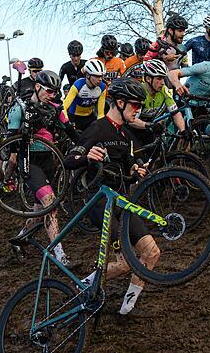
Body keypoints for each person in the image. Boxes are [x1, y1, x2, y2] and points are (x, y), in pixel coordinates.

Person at [63, 78, 159, 315]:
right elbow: (69, 160)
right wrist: (87, 157)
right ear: (119, 102)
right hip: (100, 202)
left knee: (151, 253)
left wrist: (137, 170)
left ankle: (127, 307)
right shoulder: (97, 128)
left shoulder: (126, 135)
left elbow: (131, 168)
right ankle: (84, 284)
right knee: (126, 262)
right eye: (134, 104)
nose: (138, 109)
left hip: (122, 200)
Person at [7, 70, 78, 265]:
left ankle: (19, 240)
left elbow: (70, 130)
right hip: (29, 159)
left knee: (40, 214)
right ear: (37, 87)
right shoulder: (19, 107)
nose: (52, 95)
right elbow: (9, 142)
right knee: (50, 202)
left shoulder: (55, 107)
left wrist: (85, 147)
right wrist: (11, 168)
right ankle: (59, 254)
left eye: (55, 92)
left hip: (49, 159)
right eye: (49, 91)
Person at [168, 43, 210, 174]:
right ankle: (178, 174)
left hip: (201, 110)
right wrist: (178, 85)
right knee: (185, 142)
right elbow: (172, 73)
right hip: (185, 105)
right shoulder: (206, 67)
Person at [126, 59, 187, 146]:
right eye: (159, 78)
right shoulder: (139, 92)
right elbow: (131, 121)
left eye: (163, 78)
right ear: (148, 79)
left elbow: (175, 113)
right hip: (134, 128)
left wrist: (183, 131)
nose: (162, 83)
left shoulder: (164, 90)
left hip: (149, 126)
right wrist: (149, 125)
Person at [62, 59, 108, 132]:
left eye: (101, 76)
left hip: (89, 117)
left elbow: (100, 114)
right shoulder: (78, 85)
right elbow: (64, 106)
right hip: (74, 116)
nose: (100, 79)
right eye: (97, 76)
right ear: (88, 75)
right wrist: (67, 122)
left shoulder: (102, 88)